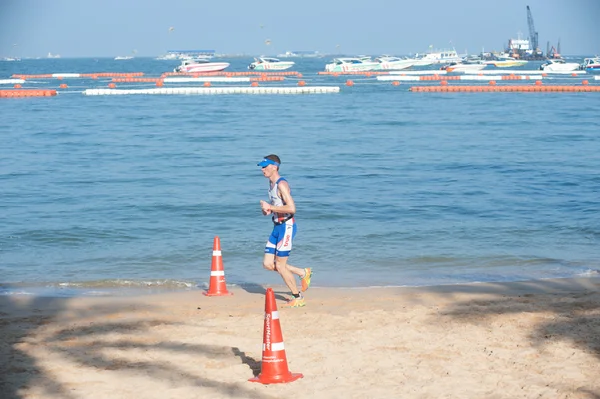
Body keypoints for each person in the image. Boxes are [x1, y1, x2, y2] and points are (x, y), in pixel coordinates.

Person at [257, 154, 312, 308]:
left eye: (265, 166)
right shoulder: (271, 183)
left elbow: (292, 208)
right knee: (268, 264)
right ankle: (302, 273)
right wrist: (267, 210)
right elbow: (277, 206)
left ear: (274, 166)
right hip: (277, 227)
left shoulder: (282, 184)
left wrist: (271, 207)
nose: (262, 169)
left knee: (281, 266)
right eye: (261, 166)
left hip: (286, 227)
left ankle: (298, 297)